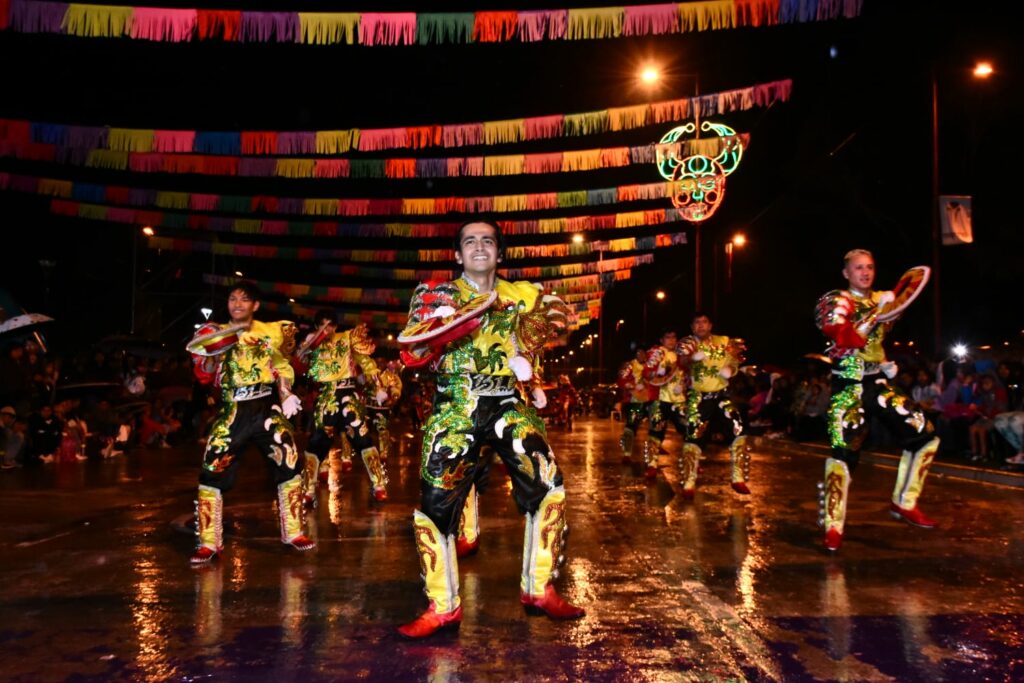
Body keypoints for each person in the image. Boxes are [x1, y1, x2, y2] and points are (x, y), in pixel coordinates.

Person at [396, 219, 583, 638]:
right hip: (456, 401)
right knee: (436, 500)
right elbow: (412, 353)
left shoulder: (523, 294)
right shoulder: (435, 294)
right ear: (458, 254)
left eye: (487, 241)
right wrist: (439, 330)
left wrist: (531, 374)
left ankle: (539, 588)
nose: (479, 247)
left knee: (547, 483)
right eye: (470, 241)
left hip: (506, 400)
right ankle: (442, 606)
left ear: (499, 252)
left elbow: (536, 338)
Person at [814, 249, 940, 552]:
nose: (865, 272)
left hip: (876, 383)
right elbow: (846, 337)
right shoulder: (836, 300)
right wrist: (877, 313)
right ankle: (833, 526)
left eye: (869, 267)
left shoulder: (882, 300)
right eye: (858, 268)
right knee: (843, 454)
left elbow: (873, 343)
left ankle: (904, 502)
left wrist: (884, 361)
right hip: (847, 385)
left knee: (924, 433)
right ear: (846, 273)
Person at [187, 282, 314, 565]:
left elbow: (281, 366)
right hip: (233, 410)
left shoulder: (270, 332)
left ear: (255, 305)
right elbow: (205, 374)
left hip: (266, 407)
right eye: (232, 299)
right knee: (212, 469)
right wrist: (211, 353)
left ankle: (294, 532)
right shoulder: (216, 333)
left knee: (289, 462)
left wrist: (287, 394)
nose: (237, 304)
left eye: (244, 299)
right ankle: (209, 543)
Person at [297, 310, 389, 506]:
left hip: (347, 395)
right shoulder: (313, 343)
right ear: (317, 326)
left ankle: (379, 484)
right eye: (323, 325)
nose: (327, 329)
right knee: (317, 441)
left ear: (336, 326)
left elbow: (367, 363)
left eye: (330, 325)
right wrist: (309, 344)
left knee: (362, 438)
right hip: (326, 397)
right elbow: (300, 362)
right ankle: (309, 489)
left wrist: (379, 387)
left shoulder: (347, 338)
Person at [675, 312, 752, 497]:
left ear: (710, 325)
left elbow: (735, 360)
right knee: (694, 436)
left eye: (704, 322)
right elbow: (682, 361)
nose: (701, 325)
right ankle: (689, 482)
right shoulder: (688, 343)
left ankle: (738, 478)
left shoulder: (724, 341)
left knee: (738, 427)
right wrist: (692, 358)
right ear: (692, 327)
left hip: (721, 395)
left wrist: (730, 370)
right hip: (698, 397)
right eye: (697, 322)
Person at [642, 329, 688, 480]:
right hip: (659, 398)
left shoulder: (682, 353)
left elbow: (689, 372)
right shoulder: (657, 353)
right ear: (662, 340)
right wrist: (657, 373)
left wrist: (684, 385)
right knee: (656, 432)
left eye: (674, 337)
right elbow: (647, 372)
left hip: (678, 399)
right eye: (668, 337)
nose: (671, 340)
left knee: (687, 430)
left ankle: (691, 461)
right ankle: (652, 465)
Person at [616, 348, 655, 464]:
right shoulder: (630, 365)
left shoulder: (651, 364)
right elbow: (621, 380)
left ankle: (653, 456)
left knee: (656, 424)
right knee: (631, 426)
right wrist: (632, 385)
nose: (641, 355)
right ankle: (626, 453)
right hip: (635, 400)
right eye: (638, 353)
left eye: (643, 353)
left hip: (651, 399)